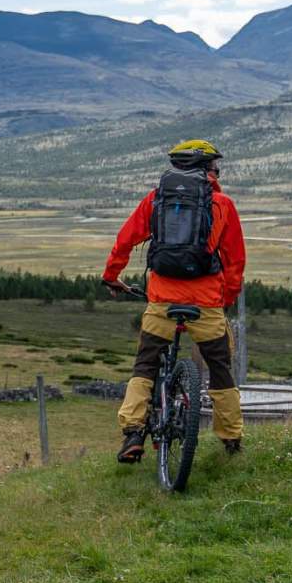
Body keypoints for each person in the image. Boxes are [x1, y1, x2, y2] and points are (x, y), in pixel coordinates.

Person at [102, 139, 247, 462]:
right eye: (215, 167)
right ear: (208, 169)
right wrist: (225, 299)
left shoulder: (155, 201)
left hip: (162, 300)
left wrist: (112, 276)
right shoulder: (222, 204)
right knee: (220, 368)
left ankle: (133, 433)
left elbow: (125, 241)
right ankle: (231, 437)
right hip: (206, 302)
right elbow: (235, 261)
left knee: (146, 364)